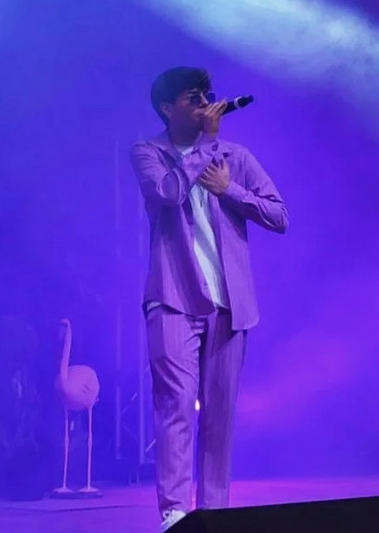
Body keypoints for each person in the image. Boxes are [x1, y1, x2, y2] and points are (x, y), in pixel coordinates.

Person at [129, 66, 289, 532]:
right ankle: (175, 513)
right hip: (173, 298)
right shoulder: (148, 152)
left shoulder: (235, 157)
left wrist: (230, 189)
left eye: (208, 95)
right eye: (193, 97)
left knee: (220, 414)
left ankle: (215, 513)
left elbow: (280, 216)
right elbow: (168, 193)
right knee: (176, 405)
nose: (205, 104)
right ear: (168, 108)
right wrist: (205, 147)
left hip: (230, 304)